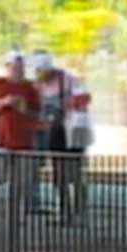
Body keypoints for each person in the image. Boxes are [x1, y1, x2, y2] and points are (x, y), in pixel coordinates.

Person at [30, 51, 91, 223]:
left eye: (41, 71)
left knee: (76, 172)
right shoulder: (39, 85)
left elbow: (84, 99)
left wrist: (65, 105)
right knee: (58, 173)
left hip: (74, 130)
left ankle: (80, 212)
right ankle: (64, 210)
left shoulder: (69, 80)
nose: (39, 75)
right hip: (54, 131)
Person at [0, 52, 42, 205]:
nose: (18, 70)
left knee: (25, 176)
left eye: (21, 67)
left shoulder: (31, 87)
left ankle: (24, 205)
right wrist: (2, 103)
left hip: (25, 139)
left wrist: (23, 109)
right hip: (2, 138)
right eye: (14, 67)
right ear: (7, 67)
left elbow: (37, 113)